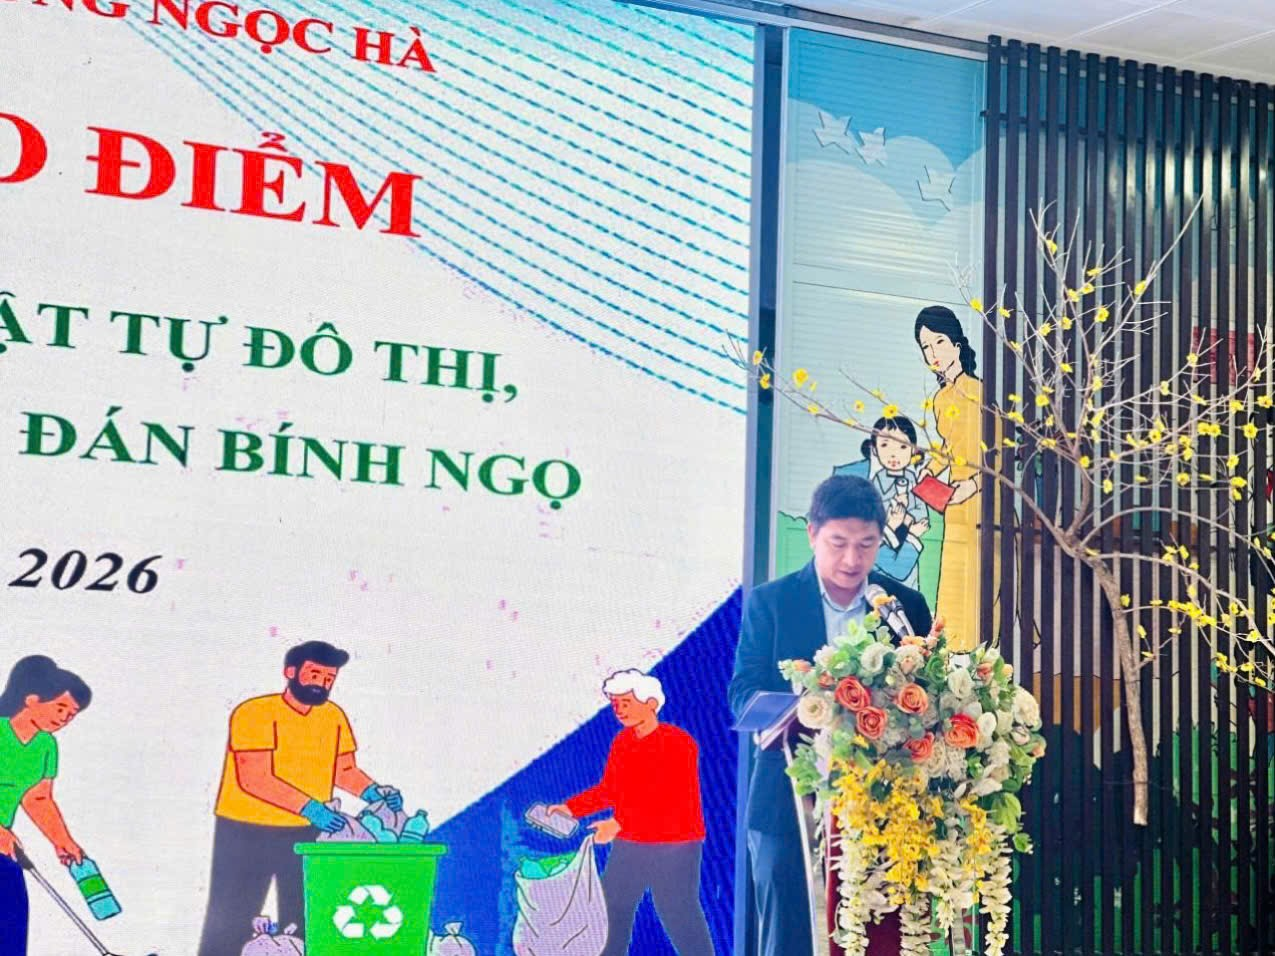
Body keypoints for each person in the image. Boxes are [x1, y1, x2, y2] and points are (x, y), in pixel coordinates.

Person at [729, 475, 932, 956]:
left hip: (883, 806)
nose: (852, 559)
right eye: (838, 543)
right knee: (789, 940)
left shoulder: (904, 608)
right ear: (812, 534)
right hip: (787, 807)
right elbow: (743, 693)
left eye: (867, 544)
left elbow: (926, 694)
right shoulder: (772, 602)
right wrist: (809, 700)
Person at [197, 641, 405, 956]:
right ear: (290, 672)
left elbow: (344, 770)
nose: (322, 684)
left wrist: (374, 793)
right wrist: (310, 807)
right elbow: (254, 777)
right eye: (315, 674)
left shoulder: (333, 716)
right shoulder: (254, 713)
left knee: (303, 916)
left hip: (307, 832)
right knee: (232, 915)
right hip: (246, 829)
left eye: (329, 678)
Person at [546, 670, 713, 956]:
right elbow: (611, 789)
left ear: (651, 703)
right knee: (612, 907)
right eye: (615, 704)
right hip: (631, 842)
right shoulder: (623, 742)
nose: (620, 710)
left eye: (626, 702)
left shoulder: (678, 743)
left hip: (676, 844)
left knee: (677, 909)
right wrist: (572, 808)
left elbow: (667, 797)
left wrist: (619, 824)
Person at [0, 655, 93, 956]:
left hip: (3, 846)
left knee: (11, 912)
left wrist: (63, 842)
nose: (65, 718)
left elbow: (37, 798)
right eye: (60, 707)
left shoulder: (45, 746)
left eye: (72, 714)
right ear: (32, 699)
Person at [914, 304, 985, 653]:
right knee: (953, 578)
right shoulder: (941, 399)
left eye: (939, 342)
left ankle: (978, 654)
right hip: (955, 500)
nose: (934, 353)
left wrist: (975, 484)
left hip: (983, 500)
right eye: (926, 347)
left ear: (957, 344)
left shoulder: (979, 391)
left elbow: (999, 451)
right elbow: (947, 444)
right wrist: (930, 469)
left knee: (978, 579)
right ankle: (953, 652)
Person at [833, 414, 929, 589]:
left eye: (903, 446)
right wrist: (900, 524)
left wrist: (907, 520)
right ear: (874, 449)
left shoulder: (913, 480)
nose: (894, 454)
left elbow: (921, 514)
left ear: (914, 451)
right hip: (882, 555)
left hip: (906, 555)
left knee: (908, 595)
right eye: (885, 445)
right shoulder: (874, 484)